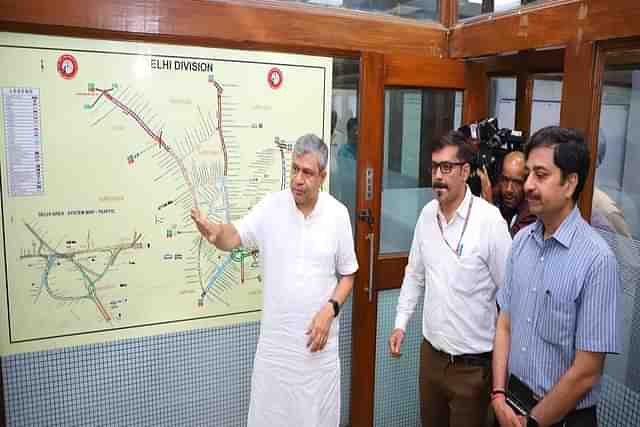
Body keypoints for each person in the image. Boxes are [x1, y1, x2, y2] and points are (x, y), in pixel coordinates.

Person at [191, 133, 358, 427]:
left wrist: (329, 309)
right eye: (295, 169)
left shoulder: (337, 215)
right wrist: (216, 234)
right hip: (276, 355)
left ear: (322, 176)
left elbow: (348, 274)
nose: (298, 179)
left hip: (318, 354)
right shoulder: (271, 207)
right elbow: (235, 236)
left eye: (307, 172)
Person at [492, 126, 620, 427]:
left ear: (569, 184)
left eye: (541, 174)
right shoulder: (522, 242)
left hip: (561, 420)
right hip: (511, 406)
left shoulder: (597, 260)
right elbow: (505, 324)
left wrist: (533, 422)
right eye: (528, 174)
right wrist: (498, 395)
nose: (527, 186)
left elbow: (586, 372)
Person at [388, 130, 512, 427]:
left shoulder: (489, 222)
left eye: (446, 168)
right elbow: (414, 273)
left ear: (465, 171)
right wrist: (400, 323)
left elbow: (510, 294)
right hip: (431, 357)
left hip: (472, 367)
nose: (438, 176)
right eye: (433, 167)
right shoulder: (426, 215)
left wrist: (501, 379)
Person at [479, 151, 536, 236]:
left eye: (517, 182)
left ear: (527, 182)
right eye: (505, 179)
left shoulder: (531, 211)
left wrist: (489, 206)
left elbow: (509, 246)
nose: (509, 189)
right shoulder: (499, 189)